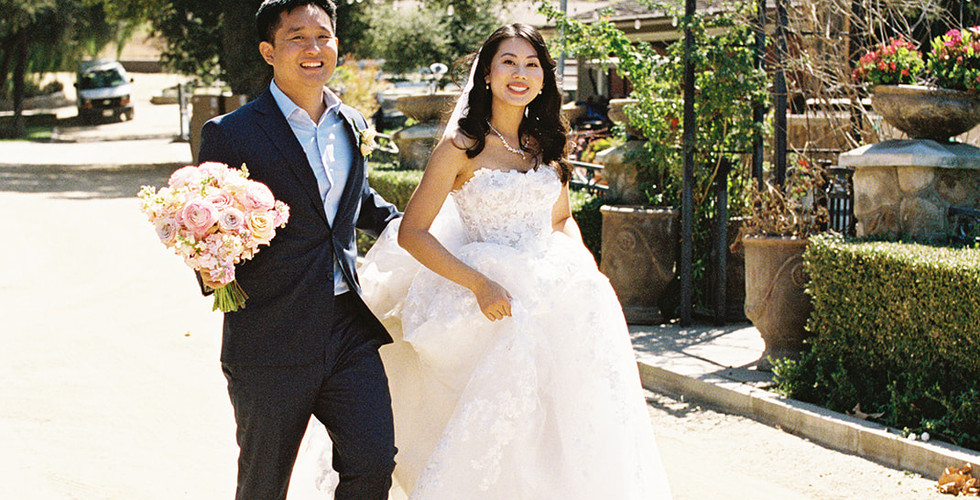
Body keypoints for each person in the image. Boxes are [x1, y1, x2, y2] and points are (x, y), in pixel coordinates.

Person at [356, 23, 673, 498]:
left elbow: (562, 219)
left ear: (544, 78)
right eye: (508, 62)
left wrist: (583, 270)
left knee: (568, 424)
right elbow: (413, 233)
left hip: (553, 293)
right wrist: (480, 284)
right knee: (504, 426)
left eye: (532, 64)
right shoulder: (461, 146)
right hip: (486, 299)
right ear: (487, 73)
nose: (520, 73)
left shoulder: (546, 144)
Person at [196, 1, 400, 498]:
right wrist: (212, 271)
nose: (313, 48)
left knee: (373, 463)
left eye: (323, 36)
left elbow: (361, 205)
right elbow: (206, 231)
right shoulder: (231, 133)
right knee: (265, 485)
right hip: (270, 334)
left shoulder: (352, 123)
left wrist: (431, 231)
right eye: (296, 37)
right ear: (268, 50)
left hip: (348, 329)